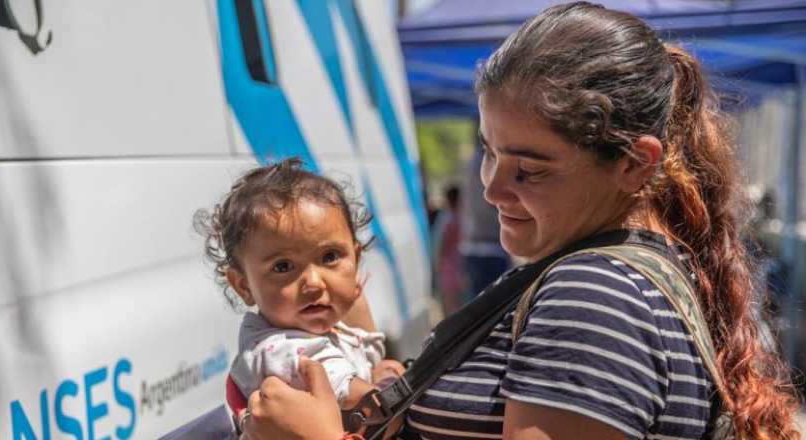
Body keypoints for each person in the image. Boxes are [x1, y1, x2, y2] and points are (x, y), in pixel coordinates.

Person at [240, 2, 802, 439]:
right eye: (488, 151)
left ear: (634, 164)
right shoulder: (605, 269)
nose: (490, 186)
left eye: (528, 170)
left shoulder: (595, 295)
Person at [194, 158, 406, 434]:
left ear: (356, 259)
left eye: (329, 257)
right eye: (282, 267)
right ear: (243, 286)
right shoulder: (279, 350)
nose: (314, 283)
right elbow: (373, 409)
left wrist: (377, 369)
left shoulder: (324, 328)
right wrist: (388, 382)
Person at [460, 145, 511, 300]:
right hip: (492, 248)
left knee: (478, 306)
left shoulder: (471, 163)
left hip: (472, 247)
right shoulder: (493, 160)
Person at [431, 185, 467, 312]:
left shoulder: (447, 218)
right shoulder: (462, 217)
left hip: (449, 265)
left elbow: (441, 245)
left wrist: (437, 263)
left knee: (450, 302)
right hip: (460, 262)